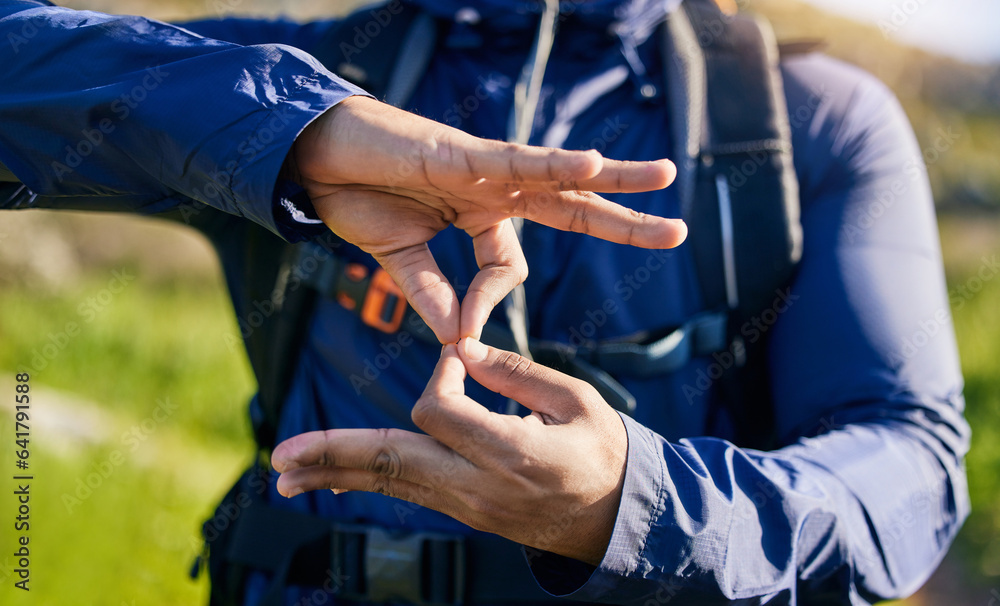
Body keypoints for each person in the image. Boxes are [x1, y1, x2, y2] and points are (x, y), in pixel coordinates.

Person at [0, 0, 968, 604]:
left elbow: (910, 461)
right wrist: (290, 129)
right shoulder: (303, 70)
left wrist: (646, 510)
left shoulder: (807, 121)